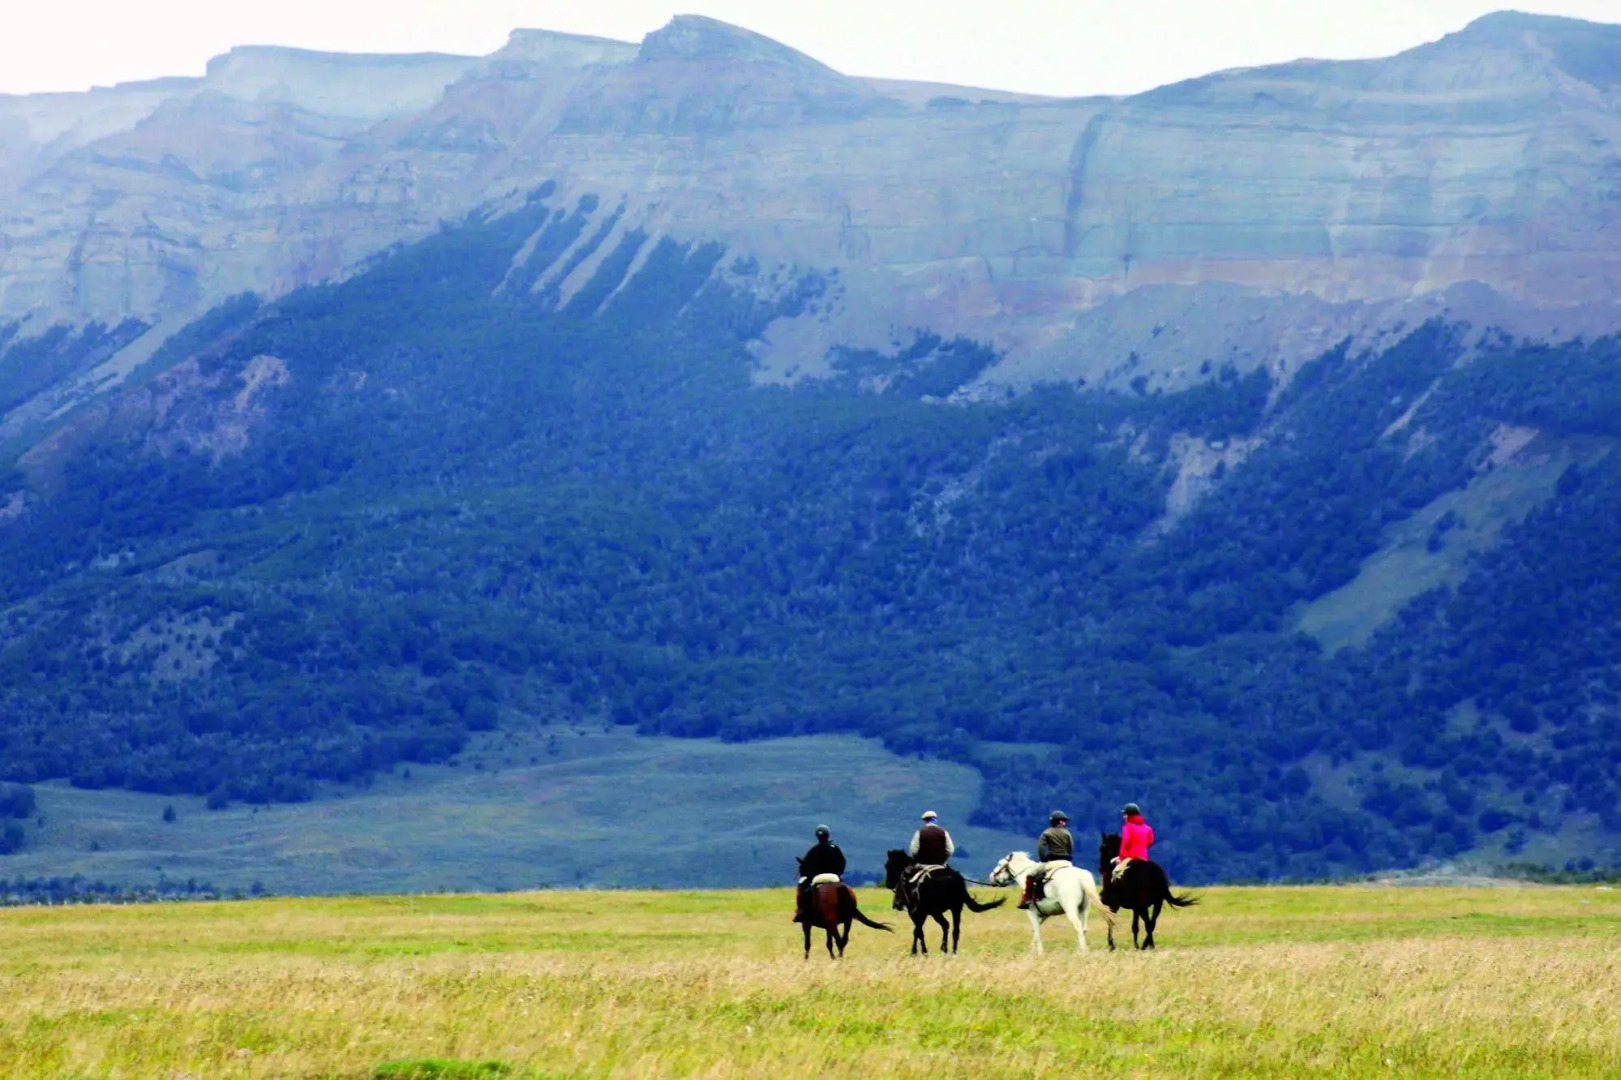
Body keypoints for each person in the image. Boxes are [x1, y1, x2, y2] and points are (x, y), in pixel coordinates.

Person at [1019, 810, 1073, 909]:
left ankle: (1027, 899)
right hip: (1066, 862)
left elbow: (1041, 847)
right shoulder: (1067, 833)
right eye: (1063, 821)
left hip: (1052, 862)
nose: (1065, 823)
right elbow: (1070, 847)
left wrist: (1043, 859)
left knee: (1030, 875)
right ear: (1059, 822)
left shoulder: (1047, 833)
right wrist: (1068, 856)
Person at [794, 825, 846, 922]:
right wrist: (838, 874)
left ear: (817, 836)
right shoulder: (834, 848)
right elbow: (842, 862)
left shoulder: (814, 850)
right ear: (828, 835)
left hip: (818, 878)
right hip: (834, 877)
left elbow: (806, 867)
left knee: (803, 888)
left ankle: (801, 911)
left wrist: (810, 874)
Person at [1114, 803, 1155, 878]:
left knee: (1115, 874)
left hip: (1130, 858)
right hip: (1144, 858)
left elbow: (1125, 842)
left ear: (1129, 815)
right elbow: (1150, 842)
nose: (1124, 817)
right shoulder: (1148, 828)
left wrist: (1121, 859)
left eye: (1125, 814)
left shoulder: (1127, 827)